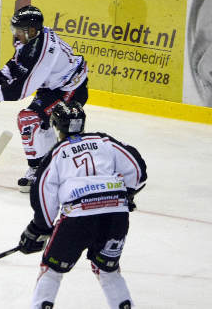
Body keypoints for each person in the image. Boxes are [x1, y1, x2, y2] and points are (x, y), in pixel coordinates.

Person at [16, 101, 147, 309]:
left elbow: (43, 191)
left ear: (57, 125)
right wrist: (127, 194)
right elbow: (137, 170)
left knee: (52, 270)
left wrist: (39, 228)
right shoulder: (104, 141)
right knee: (108, 270)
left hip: (78, 218)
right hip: (116, 216)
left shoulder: (57, 153)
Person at [0, 5, 88, 192]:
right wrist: (0, 76)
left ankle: (39, 169)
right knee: (38, 120)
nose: (15, 34)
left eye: (18, 30)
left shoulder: (46, 53)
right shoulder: (31, 38)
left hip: (69, 88)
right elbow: (16, 63)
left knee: (30, 118)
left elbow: (20, 91)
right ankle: (50, 166)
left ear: (31, 30)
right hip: (52, 85)